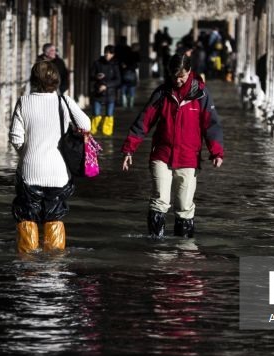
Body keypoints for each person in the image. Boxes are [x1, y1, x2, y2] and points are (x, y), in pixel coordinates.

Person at [120, 53, 225, 238]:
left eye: (181, 76)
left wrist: (216, 152)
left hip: (188, 158)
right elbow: (144, 121)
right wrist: (129, 148)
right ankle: (155, 246)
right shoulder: (162, 93)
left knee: (184, 206)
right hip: (162, 155)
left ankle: (183, 250)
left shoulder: (201, 94)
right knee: (160, 200)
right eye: (174, 76)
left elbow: (211, 124)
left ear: (189, 72)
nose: (177, 80)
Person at [9, 60, 91, 253]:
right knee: (54, 217)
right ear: (56, 79)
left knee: (27, 217)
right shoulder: (64, 101)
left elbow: (15, 137)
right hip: (58, 173)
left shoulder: (24, 101)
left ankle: (28, 268)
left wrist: (27, 154)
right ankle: (54, 266)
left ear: (34, 79)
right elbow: (86, 125)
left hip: (30, 173)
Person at [89, 45, 121, 136]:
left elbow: (118, 80)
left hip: (110, 93)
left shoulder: (115, 65)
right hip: (98, 93)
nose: (107, 54)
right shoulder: (97, 63)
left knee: (109, 114)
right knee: (96, 114)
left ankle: (107, 133)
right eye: (106, 52)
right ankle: (93, 132)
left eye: (110, 53)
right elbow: (91, 76)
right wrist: (96, 76)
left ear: (113, 55)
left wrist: (106, 85)